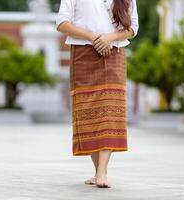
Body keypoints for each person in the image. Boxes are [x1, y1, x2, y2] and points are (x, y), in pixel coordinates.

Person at [56, 0, 139, 188]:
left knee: (110, 112)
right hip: (82, 54)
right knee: (88, 114)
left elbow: (133, 27)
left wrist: (109, 38)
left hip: (114, 53)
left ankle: (102, 172)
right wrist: (94, 38)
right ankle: (97, 171)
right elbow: (61, 23)